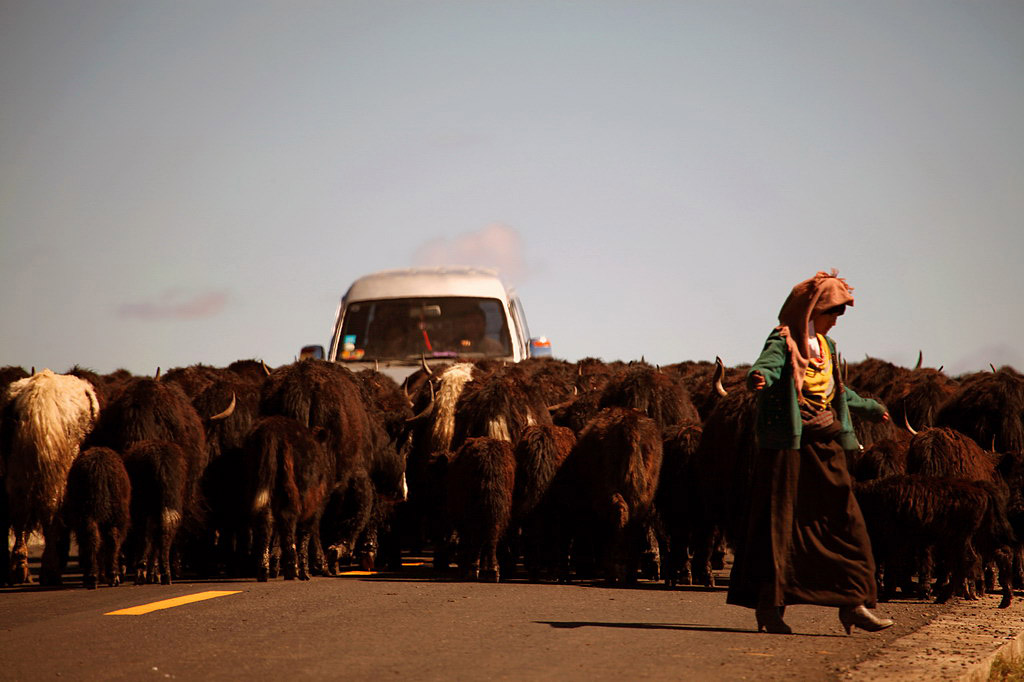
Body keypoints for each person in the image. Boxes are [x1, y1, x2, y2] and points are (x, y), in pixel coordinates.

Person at [726, 270, 894, 635]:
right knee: (780, 525)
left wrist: (870, 407)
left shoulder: (828, 347)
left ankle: (854, 603)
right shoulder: (784, 339)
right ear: (813, 310)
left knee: (846, 523)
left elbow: (837, 391)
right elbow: (768, 366)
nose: (836, 320)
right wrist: (759, 377)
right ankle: (769, 607)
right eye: (832, 312)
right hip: (789, 449)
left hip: (826, 445)